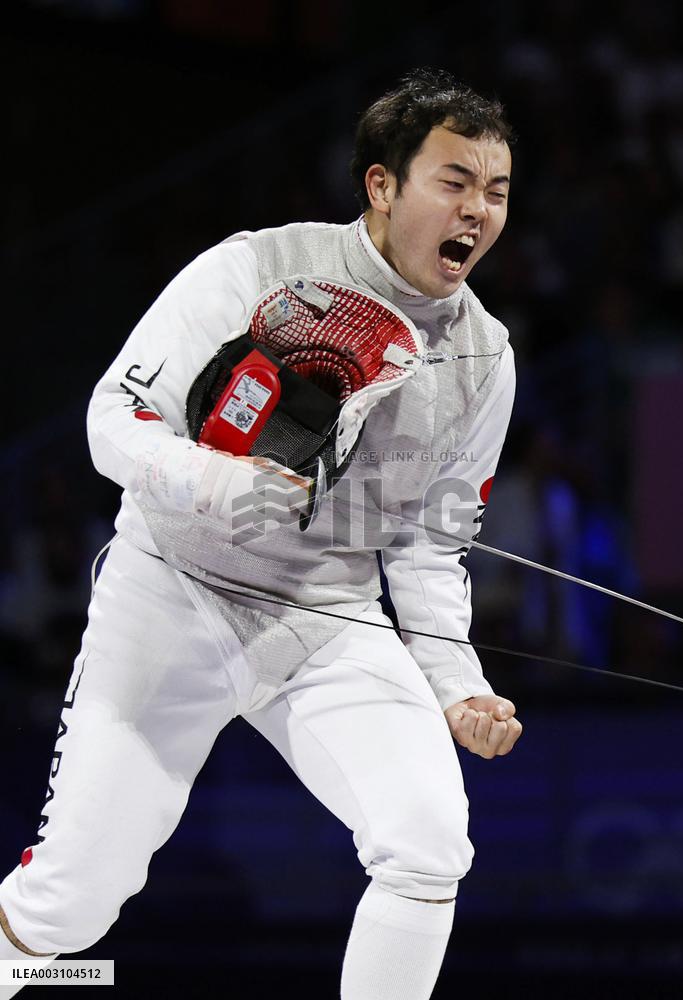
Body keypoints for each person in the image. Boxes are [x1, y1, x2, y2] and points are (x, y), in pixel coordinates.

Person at [0, 68, 522, 1000]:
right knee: (69, 911)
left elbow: (432, 544)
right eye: (453, 181)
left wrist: (459, 685)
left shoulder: (486, 355)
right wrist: (217, 477)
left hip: (326, 618)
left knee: (429, 843)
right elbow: (110, 419)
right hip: (173, 588)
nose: (477, 210)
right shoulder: (255, 267)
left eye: (496, 190)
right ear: (382, 185)